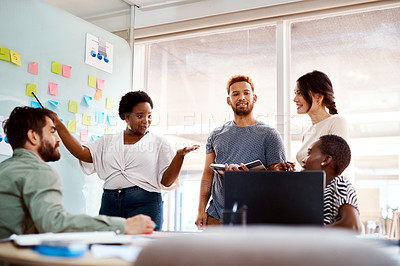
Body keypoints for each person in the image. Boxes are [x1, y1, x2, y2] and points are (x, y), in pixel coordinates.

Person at [0, 106, 155, 239]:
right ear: (33, 136)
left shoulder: (4, 169)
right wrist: (124, 225)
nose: (58, 139)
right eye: (52, 131)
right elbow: (54, 224)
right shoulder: (38, 171)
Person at [53, 91, 199, 231]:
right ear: (127, 117)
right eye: (140, 116)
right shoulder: (108, 141)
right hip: (109, 203)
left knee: (140, 250)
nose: (146, 121)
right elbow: (81, 152)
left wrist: (179, 156)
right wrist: (59, 125)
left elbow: (166, 182)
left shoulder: (158, 142)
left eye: (149, 116)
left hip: (145, 204)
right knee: (106, 247)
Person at [195, 75, 292, 229]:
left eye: (246, 93)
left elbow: (279, 179)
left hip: (256, 218)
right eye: (235, 94)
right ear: (229, 100)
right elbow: (208, 174)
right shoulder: (216, 134)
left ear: (254, 98)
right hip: (217, 216)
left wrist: (252, 177)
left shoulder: (270, 134)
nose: (242, 97)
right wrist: (201, 210)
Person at [302, 134, 361, 232]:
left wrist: (307, 232)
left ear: (325, 160)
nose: (303, 160)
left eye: (309, 153)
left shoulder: (340, 183)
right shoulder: (314, 192)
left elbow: (353, 226)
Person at [294, 70, 348, 166]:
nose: (295, 99)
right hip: (309, 181)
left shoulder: (336, 121)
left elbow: (335, 165)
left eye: (300, 93)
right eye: (295, 93)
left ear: (318, 97)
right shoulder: (307, 133)